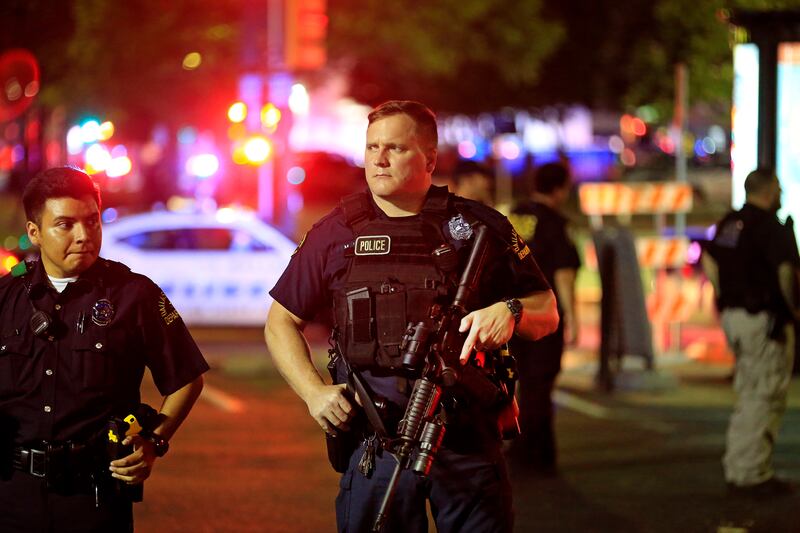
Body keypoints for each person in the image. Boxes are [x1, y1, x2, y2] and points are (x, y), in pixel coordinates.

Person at [265, 100, 558, 532]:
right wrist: (313, 393)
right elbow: (280, 322)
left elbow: (547, 310)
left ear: (430, 158)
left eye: (396, 148)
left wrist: (511, 311)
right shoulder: (335, 232)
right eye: (372, 148)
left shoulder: (477, 227)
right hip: (376, 439)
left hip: (465, 439)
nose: (379, 160)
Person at [0, 167, 209, 531]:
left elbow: (186, 379)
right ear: (34, 232)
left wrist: (153, 441)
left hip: (94, 497)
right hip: (11, 494)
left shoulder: (134, 295)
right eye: (65, 224)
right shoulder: (6, 298)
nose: (83, 235)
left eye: (92, 221)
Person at [702, 168, 800, 497]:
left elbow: (709, 259)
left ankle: (740, 466)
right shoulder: (773, 228)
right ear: (770, 191)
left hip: (735, 317)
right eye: (780, 188)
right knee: (765, 394)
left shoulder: (731, 222)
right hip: (764, 320)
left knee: (750, 391)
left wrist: (723, 295)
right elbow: (787, 274)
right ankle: (750, 473)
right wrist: (795, 309)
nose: (782, 194)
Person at [507, 161, 580, 475]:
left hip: (510, 313)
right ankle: (535, 452)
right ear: (560, 188)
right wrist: (573, 317)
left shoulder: (514, 215)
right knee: (540, 384)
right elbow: (563, 275)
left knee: (518, 383)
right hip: (543, 315)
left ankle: (519, 446)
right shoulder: (554, 222)